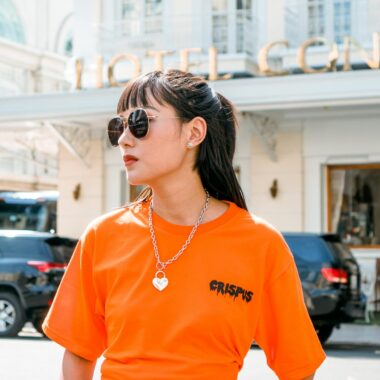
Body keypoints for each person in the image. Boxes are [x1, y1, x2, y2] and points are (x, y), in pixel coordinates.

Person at [42, 70, 326, 380]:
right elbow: (79, 355)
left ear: (193, 133)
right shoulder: (103, 235)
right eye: (118, 127)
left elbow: (297, 367)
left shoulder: (260, 243)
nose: (123, 139)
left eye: (139, 122)